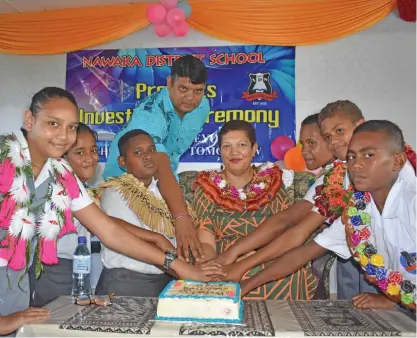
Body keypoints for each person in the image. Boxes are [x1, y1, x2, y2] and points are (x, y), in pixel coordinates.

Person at [0, 87, 222, 334]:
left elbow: (109, 231)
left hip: (13, 291)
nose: (64, 136)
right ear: (30, 120)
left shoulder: (62, 176)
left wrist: (178, 266)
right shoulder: (3, 159)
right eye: (54, 123)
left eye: (72, 127)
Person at [212, 101, 415, 299]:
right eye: (327, 136)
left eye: (339, 131)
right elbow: (295, 229)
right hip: (380, 272)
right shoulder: (349, 197)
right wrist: (240, 271)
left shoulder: (408, 193)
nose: (334, 141)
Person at [193, 120, 318, 300]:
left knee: (289, 273)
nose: (234, 152)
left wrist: (251, 257)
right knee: (214, 276)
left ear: (254, 149)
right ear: (219, 151)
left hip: (268, 254)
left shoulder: (272, 181)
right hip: (224, 258)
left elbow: (282, 228)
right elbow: (206, 241)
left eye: (242, 145)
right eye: (227, 146)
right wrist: (211, 265)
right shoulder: (207, 186)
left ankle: (286, 327)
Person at [103, 55, 210, 262]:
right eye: (183, 89)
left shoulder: (202, 106)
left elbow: (171, 156)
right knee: (135, 255)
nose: (190, 98)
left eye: (198, 91)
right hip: (128, 182)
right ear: (169, 83)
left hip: (161, 179)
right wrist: (181, 217)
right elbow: (159, 161)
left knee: (176, 247)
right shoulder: (150, 113)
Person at [209, 113, 334, 279]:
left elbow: (287, 223)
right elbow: (290, 224)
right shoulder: (328, 178)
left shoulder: (274, 178)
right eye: (302, 144)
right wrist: (234, 256)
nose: (304, 151)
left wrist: (239, 261)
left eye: (311, 143)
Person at [95, 129, 178, 296]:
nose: (147, 156)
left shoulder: (165, 192)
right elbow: (136, 243)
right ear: (122, 162)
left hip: (165, 281)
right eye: (138, 152)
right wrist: (185, 269)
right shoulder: (116, 191)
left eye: (151, 150)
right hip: (127, 284)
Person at [30, 123, 99, 307]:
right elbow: (108, 228)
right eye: (80, 152)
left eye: (93, 150)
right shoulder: (58, 189)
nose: (90, 158)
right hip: (54, 273)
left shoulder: (83, 188)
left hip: (76, 270)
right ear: (63, 158)